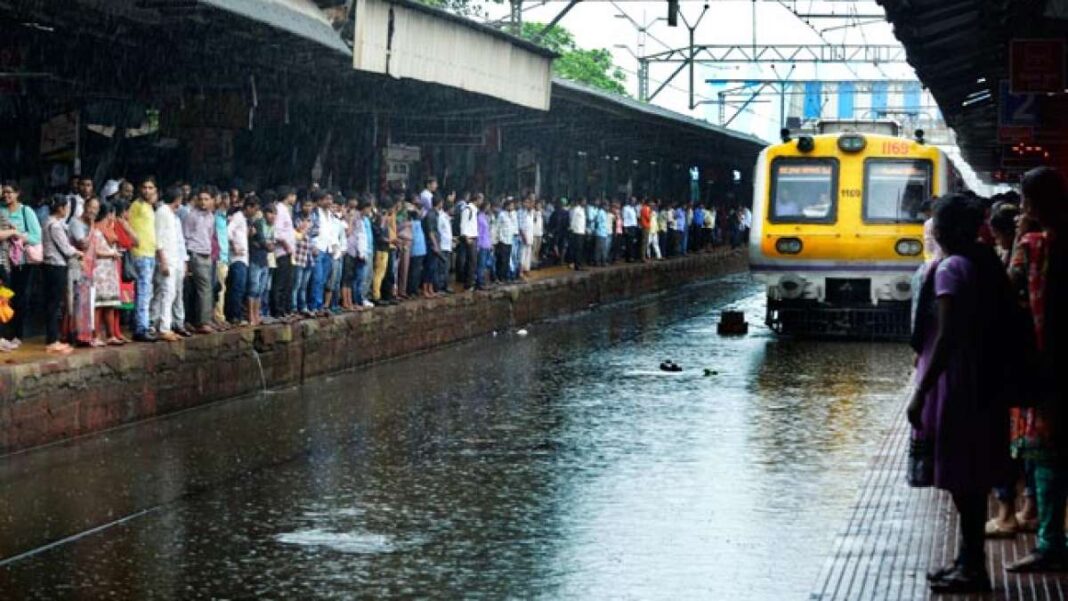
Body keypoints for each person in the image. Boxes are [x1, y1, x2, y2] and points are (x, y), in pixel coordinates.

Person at [908, 193, 1014, 593]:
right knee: (970, 475)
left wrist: (922, 391)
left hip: (955, 383)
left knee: (962, 478)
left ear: (945, 229)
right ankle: (968, 560)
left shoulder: (951, 268)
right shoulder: (980, 262)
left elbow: (948, 335)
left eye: (935, 222)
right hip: (976, 378)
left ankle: (973, 568)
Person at [1006, 166, 1068, 573]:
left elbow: (1007, 290)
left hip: (1047, 366)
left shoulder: (1033, 245)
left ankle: (1050, 544)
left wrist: (1019, 233)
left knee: (1048, 457)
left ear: (1029, 203)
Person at [41, 194, 82, 354]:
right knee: (54, 304)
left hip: (49, 266)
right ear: (60, 208)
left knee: (51, 303)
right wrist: (79, 252)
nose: (67, 210)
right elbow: (66, 248)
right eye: (66, 207)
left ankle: (52, 338)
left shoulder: (47, 222)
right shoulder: (55, 226)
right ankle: (52, 341)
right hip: (56, 266)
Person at [1, 181, 40, 346]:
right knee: (4, 298)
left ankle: (18, 334)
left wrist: (17, 235)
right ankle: (6, 335)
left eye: (9, 192)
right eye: (4, 192)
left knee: (20, 298)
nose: (6, 195)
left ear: (17, 193)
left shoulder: (26, 211)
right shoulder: (1, 210)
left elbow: (36, 237)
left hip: (22, 262)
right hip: (4, 262)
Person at [152, 186, 186, 342]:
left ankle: (163, 324)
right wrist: (163, 261)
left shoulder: (171, 215)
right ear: (177, 199)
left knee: (168, 293)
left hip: (173, 259)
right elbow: (158, 239)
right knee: (167, 293)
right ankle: (163, 328)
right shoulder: (162, 212)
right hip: (166, 259)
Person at [88, 202, 124, 345]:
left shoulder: (109, 230)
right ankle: (95, 336)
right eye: (113, 214)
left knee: (109, 304)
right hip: (99, 271)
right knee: (98, 305)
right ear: (109, 214)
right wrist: (111, 253)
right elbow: (95, 251)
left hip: (109, 271)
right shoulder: (96, 231)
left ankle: (110, 335)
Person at [129, 178, 159, 342]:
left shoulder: (149, 207)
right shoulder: (137, 205)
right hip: (141, 254)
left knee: (145, 291)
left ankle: (139, 325)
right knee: (143, 291)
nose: (147, 190)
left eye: (150, 188)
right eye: (145, 187)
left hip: (150, 253)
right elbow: (124, 221)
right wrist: (135, 239)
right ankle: (141, 328)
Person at [183, 187, 216, 333]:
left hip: (206, 253)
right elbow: (186, 235)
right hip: (195, 253)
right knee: (205, 288)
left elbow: (209, 235)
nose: (203, 202)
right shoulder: (192, 216)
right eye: (201, 199)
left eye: (206, 199)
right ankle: (204, 322)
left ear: (212, 201)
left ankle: (200, 320)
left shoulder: (211, 217)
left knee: (204, 288)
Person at [225, 198, 255, 325]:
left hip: (243, 258)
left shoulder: (244, 219)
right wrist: (234, 246)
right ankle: (234, 316)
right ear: (248, 207)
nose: (255, 212)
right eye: (254, 209)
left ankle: (236, 315)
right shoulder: (238, 217)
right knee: (237, 287)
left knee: (240, 287)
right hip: (237, 259)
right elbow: (228, 231)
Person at [271, 187, 297, 320]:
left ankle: (285, 309)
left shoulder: (286, 210)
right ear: (288, 196)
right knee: (280, 282)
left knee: (288, 282)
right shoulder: (280, 210)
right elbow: (277, 232)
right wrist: (286, 245)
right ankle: (277, 310)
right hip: (282, 251)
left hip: (288, 251)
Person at [569, 197, 587, 271]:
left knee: (580, 249)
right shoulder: (576, 209)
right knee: (577, 249)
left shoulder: (583, 210)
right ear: (580, 202)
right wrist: (572, 228)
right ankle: (576, 264)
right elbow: (573, 219)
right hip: (576, 231)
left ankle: (579, 263)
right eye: (584, 201)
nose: (585, 203)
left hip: (582, 231)